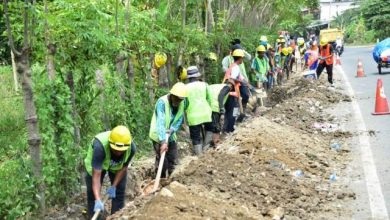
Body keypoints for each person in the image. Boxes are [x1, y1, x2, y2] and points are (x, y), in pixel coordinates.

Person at [84, 125, 136, 218]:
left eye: (121, 151)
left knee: (119, 192)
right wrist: (97, 200)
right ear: (110, 143)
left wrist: (113, 186)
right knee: (93, 195)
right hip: (96, 166)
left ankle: (116, 217)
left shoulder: (131, 148)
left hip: (116, 167)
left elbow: (123, 168)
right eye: (115, 150)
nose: (118, 153)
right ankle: (96, 216)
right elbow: (96, 176)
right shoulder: (100, 146)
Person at [149, 82, 187, 178]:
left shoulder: (183, 103)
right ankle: (160, 179)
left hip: (170, 135)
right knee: (163, 160)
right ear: (172, 95)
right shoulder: (162, 102)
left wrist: (172, 130)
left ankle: (171, 181)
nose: (178, 101)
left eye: (180, 100)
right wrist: (163, 141)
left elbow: (179, 119)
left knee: (172, 159)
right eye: (176, 98)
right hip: (158, 134)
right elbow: (160, 122)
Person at [184, 66, 212, 155]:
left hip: (193, 116)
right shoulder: (204, 85)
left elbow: (184, 104)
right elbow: (209, 99)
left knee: (195, 136)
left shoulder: (185, 88)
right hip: (206, 113)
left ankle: (199, 155)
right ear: (197, 76)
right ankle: (206, 148)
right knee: (210, 129)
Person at [222, 49, 246, 132]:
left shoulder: (232, 66)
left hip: (227, 92)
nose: (243, 59)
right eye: (242, 58)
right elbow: (232, 79)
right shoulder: (235, 67)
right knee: (233, 111)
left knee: (228, 111)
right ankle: (230, 129)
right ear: (240, 58)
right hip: (232, 93)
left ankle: (226, 129)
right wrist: (242, 81)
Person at [205, 81, 234, 146]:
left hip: (206, 107)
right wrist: (222, 110)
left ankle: (207, 145)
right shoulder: (227, 87)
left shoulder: (215, 86)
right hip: (214, 107)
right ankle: (215, 143)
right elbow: (220, 96)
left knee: (209, 126)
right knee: (216, 127)